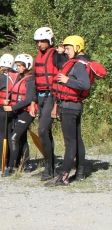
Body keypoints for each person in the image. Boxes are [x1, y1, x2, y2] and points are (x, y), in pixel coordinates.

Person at [48, 36, 92, 186]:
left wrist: (67, 81)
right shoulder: (78, 62)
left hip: (70, 107)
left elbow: (85, 85)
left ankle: (63, 176)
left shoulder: (78, 65)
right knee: (77, 140)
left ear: (78, 48)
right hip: (73, 106)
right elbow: (59, 62)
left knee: (70, 143)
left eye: (68, 49)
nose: (66, 52)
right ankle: (80, 173)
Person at [33, 27, 67, 181]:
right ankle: (50, 167)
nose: (39, 44)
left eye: (42, 41)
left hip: (52, 96)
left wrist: (61, 53)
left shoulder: (55, 55)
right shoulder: (38, 56)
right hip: (40, 97)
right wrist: (33, 101)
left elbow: (64, 66)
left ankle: (49, 168)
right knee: (46, 133)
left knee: (42, 130)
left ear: (50, 41)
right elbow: (34, 80)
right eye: (38, 41)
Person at [2, 55, 36, 177]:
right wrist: (9, 101)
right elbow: (16, 94)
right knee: (22, 138)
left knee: (13, 138)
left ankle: (11, 167)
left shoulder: (31, 80)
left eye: (20, 66)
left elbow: (28, 99)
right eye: (17, 66)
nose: (18, 68)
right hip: (19, 111)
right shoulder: (20, 78)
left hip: (26, 112)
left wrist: (12, 107)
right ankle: (26, 165)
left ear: (27, 66)